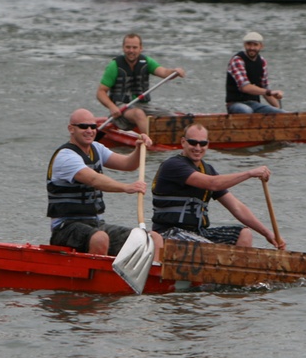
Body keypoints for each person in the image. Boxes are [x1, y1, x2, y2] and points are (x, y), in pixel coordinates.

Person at [47, 108, 164, 258]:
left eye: (93, 126)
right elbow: (94, 179)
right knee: (100, 238)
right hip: (65, 228)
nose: (89, 130)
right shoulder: (65, 157)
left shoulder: (96, 148)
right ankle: (94, 278)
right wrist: (126, 187)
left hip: (95, 224)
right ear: (71, 129)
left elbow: (128, 164)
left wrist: (139, 148)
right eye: (84, 126)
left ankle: (153, 278)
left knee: (153, 239)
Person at [151, 124, 286, 250]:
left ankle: (234, 273)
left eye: (202, 143)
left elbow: (237, 207)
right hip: (169, 232)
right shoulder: (173, 165)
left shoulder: (208, 169)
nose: (198, 148)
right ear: (183, 142)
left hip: (199, 232)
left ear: (207, 145)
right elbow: (213, 184)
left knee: (244, 234)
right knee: (209, 248)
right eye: (193, 142)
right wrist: (249, 173)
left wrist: (267, 233)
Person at [96, 33, 187, 135]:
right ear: (123, 48)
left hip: (143, 106)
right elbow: (101, 92)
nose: (131, 51)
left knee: (170, 116)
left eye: (134, 47)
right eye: (128, 47)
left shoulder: (146, 62)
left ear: (140, 48)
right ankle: (149, 143)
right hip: (122, 107)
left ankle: (178, 139)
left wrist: (175, 71)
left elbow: (164, 72)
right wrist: (112, 107)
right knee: (138, 114)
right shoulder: (114, 66)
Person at [226, 31, 286, 114]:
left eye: (255, 45)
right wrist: (269, 92)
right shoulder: (238, 60)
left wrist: (279, 109)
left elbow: (264, 88)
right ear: (244, 45)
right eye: (249, 44)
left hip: (254, 104)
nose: (252, 48)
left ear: (261, 46)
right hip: (235, 104)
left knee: (281, 113)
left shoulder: (262, 62)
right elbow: (245, 87)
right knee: (247, 111)